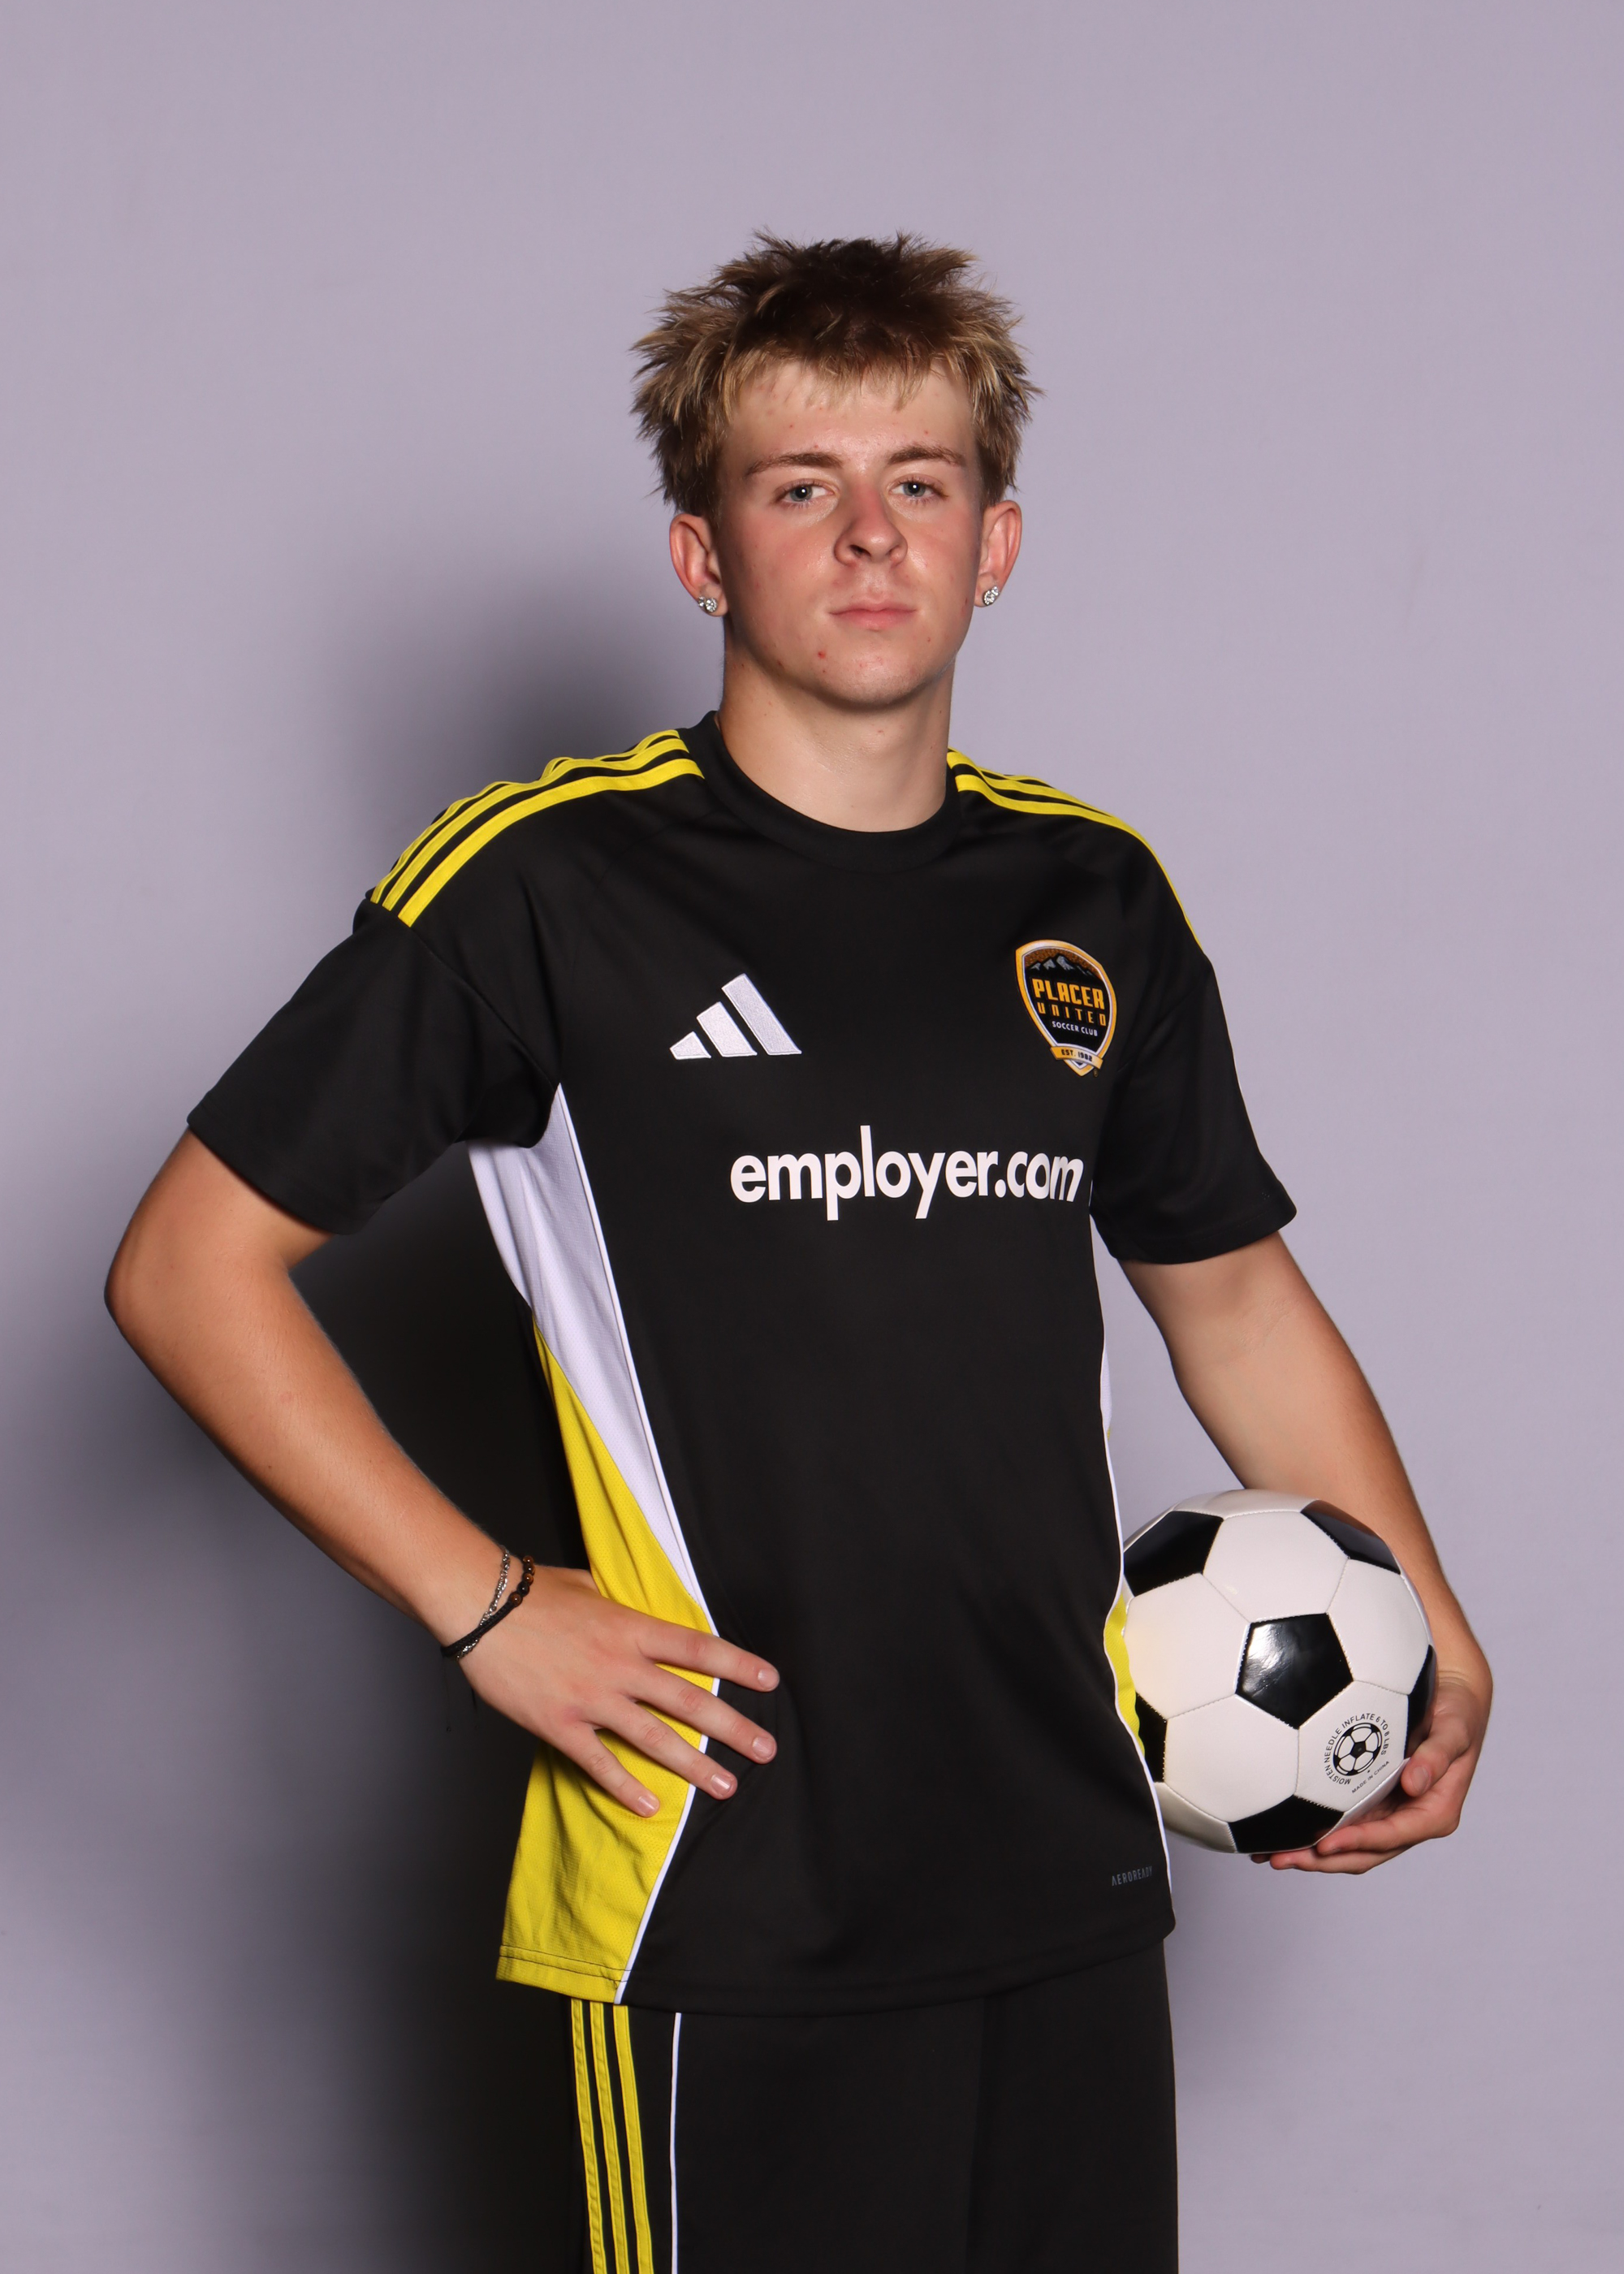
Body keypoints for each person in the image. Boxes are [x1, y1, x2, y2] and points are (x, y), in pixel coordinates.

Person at [107, 233, 1492, 2273]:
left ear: (994, 539)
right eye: (798, 485)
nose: (867, 533)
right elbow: (185, 1266)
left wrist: (1424, 1616)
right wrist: (487, 1608)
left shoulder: (1090, 897)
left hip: (1066, 1865)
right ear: (702, 552)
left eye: (918, 480)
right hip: (723, 1887)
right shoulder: (547, 885)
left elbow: (1234, 1297)